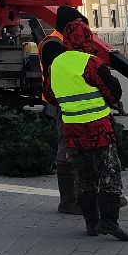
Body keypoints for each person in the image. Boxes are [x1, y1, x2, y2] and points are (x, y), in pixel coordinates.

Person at [46, 8, 128, 241]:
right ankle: (110, 222)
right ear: (86, 38)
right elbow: (113, 93)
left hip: (72, 130)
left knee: (84, 179)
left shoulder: (56, 64)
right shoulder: (91, 62)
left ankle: (91, 224)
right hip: (98, 129)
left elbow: (50, 96)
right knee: (109, 175)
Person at [37, 25, 76, 214]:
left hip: (69, 104)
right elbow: (55, 78)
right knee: (66, 148)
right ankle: (69, 201)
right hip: (64, 105)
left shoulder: (63, 41)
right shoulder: (54, 43)